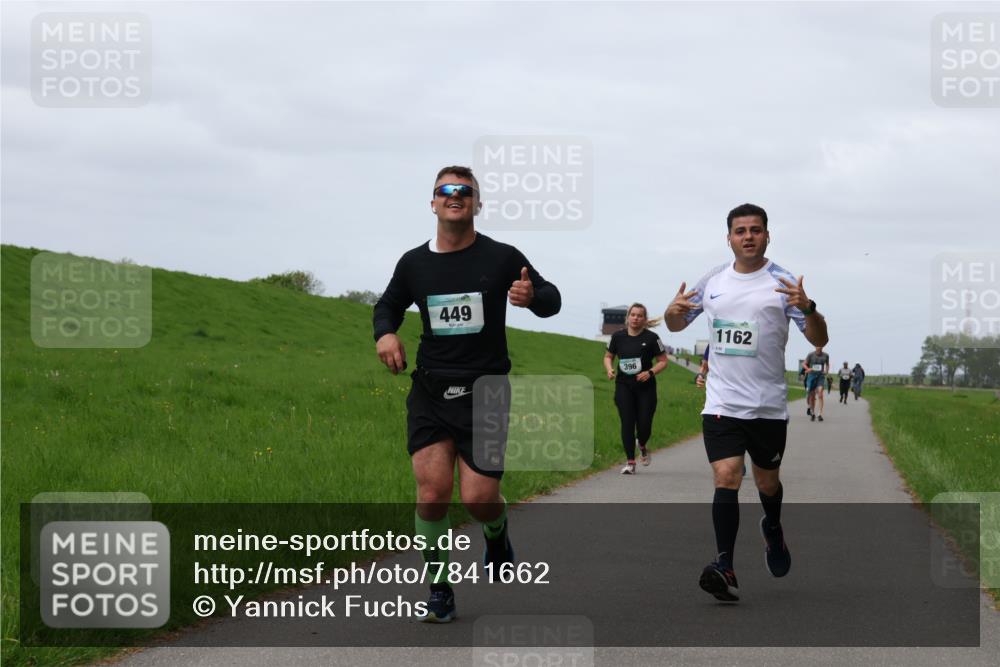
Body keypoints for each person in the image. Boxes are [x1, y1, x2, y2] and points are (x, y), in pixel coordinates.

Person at [372, 165, 561, 622]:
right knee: (432, 493)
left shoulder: (501, 257)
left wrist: (532, 296)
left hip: (485, 392)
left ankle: (496, 532)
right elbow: (387, 305)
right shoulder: (414, 263)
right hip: (431, 389)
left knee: (478, 499)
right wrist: (386, 334)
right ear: (433, 202)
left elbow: (552, 299)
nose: (454, 195)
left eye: (464, 190)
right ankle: (439, 590)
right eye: (445, 190)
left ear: (477, 203)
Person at [665, 202, 828, 602]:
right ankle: (725, 565)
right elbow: (677, 323)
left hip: (767, 405)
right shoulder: (713, 280)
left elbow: (819, 338)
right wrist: (670, 312)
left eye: (755, 230)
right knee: (727, 476)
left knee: (767, 482)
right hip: (722, 402)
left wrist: (808, 308)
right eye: (740, 231)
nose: (748, 237)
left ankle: (772, 527)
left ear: (767, 235)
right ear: (729, 239)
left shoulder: (783, 283)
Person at [604, 304, 668, 474]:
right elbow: (608, 356)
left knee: (644, 424)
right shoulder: (617, 336)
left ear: (644, 319)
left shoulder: (652, 338)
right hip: (624, 385)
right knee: (627, 422)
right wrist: (609, 369)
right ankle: (630, 463)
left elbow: (663, 361)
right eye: (633, 314)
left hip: (646, 387)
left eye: (639, 315)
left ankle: (642, 444)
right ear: (628, 317)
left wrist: (650, 372)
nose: (635, 318)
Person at [802, 346, 830, 422]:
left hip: (820, 376)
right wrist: (808, 369)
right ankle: (813, 413)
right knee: (812, 396)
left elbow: (827, 364)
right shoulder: (811, 355)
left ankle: (819, 414)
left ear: (822, 346)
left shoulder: (826, 355)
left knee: (820, 394)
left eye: (820, 346)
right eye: (817, 346)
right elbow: (804, 364)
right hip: (812, 376)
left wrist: (826, 371)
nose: (819, 347)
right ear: (815, 346)